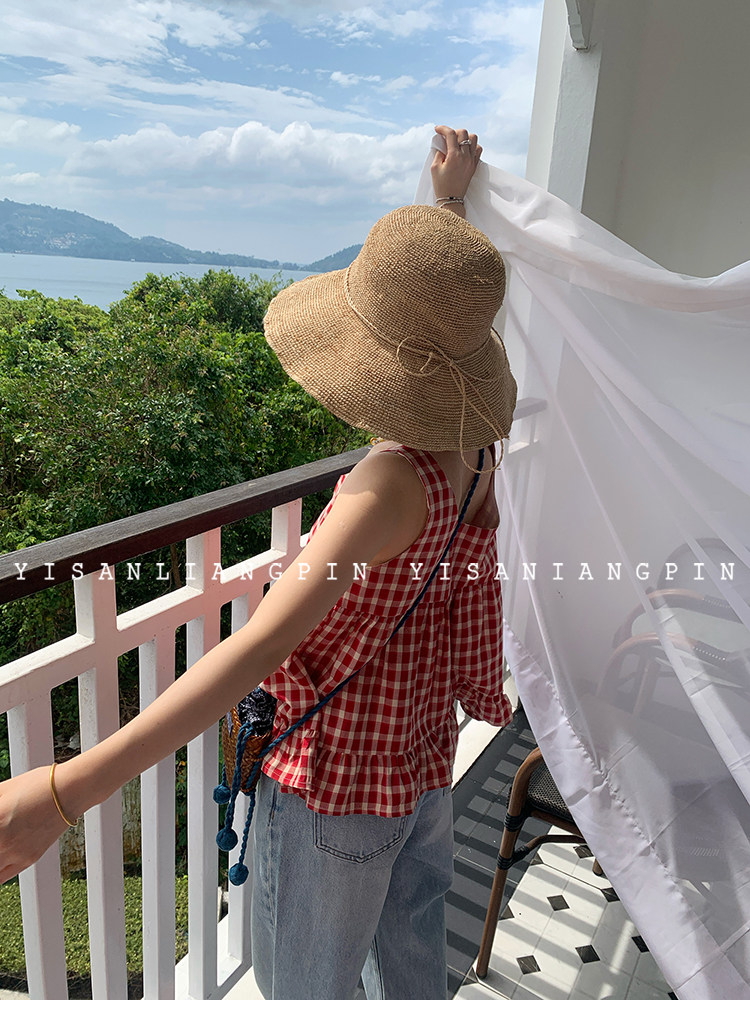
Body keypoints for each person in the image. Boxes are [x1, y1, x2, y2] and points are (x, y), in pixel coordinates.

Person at [0, 125, 517, 1000]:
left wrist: (63, 792)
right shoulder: (474, 453)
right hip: (422, 767)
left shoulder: (385, 485)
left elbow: (257, 649)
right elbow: (445, 311)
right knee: (411, 978)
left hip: (337, 790)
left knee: (304, 995)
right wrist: (451, 205)